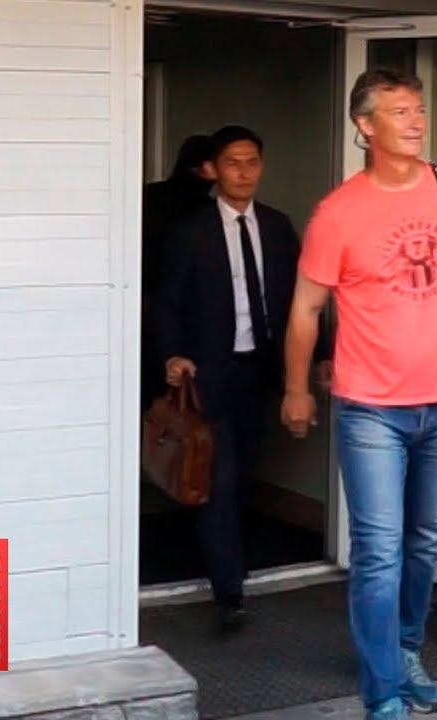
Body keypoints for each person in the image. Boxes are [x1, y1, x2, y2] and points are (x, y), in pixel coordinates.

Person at [282, 67, 437, 720]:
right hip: (372, 407)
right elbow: (305, 309)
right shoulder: (338, 213)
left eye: (419, 109)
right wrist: (296, 389)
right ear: (364, 125)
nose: (416, 121)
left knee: (423, 539)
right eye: (399, 111)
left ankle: (406, 651)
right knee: (379, 550)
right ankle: (382, 691)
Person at [154, 125, 327, 631]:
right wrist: (172, 354)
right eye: (233, 163)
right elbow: (166, 301)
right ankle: (228, 589)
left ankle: (225, 555)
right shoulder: (190, 230)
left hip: (260, 371)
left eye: (252, 162)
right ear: (213, 170)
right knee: (220, 476)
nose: (244, 172)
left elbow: (304, 298)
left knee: (245, 471)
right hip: (210, 371)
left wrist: (322, 356)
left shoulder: (276, 226)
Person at [141, 134, 214, 408]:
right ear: (202, 167)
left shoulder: (148, 196)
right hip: (182, 318)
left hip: (142, 312)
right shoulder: (206, 212)